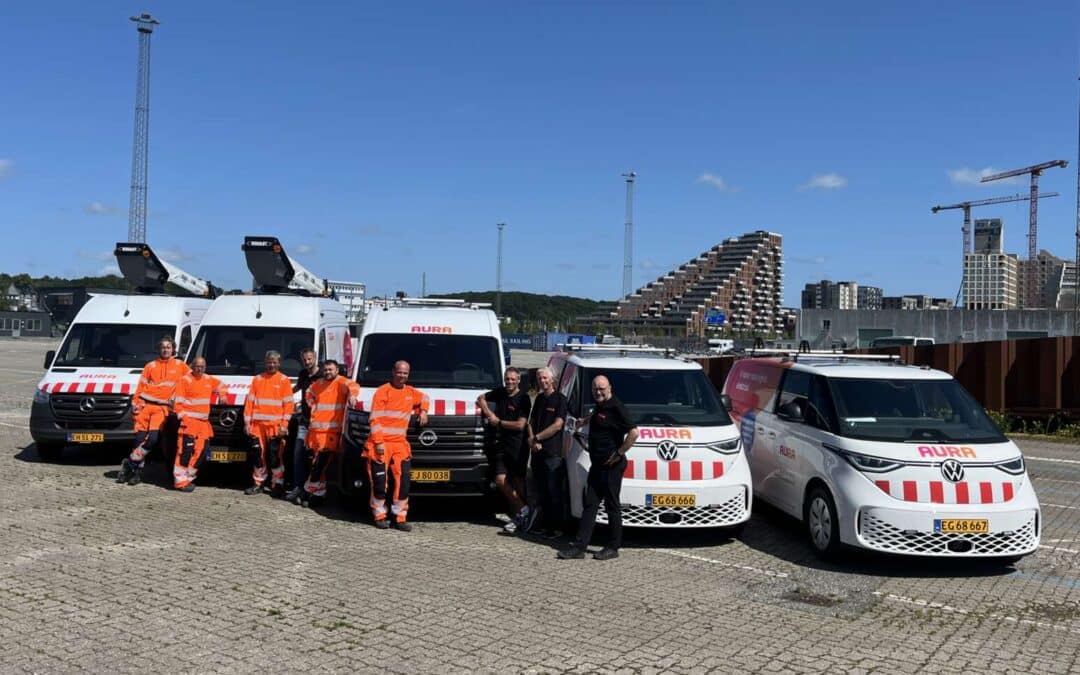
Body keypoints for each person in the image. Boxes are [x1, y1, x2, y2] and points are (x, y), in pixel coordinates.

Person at [558, 375, 638, 561]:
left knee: (612, 506)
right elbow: (598, 416)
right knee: (590, 505)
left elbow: (634, 433)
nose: (598, 392)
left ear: (610, 388)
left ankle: (613, 547)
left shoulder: (617, 407)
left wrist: (619, 453)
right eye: (595, 389)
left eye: (602, 388)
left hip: (612, 467)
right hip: (597, 466)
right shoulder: (600, 405)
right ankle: (579, 547)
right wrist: (584, 421)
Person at [116, 336, 191, 485]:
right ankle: (136, 472)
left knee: (152, 440)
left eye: (168, 347)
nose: (165, 350)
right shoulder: (150, 366)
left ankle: (129, 463)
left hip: (161, 408)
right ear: (159, 349)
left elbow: (193, 380)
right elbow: (141, 387)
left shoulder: (181, 366)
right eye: (163, 347)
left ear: (173, 349)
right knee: (139, 440)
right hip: (144, 406)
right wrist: (135, 404)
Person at [364, 360, 429, 531]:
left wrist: (423, 411)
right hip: (381, 444)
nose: (402, 376)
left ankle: (400, 518)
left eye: (405, 373)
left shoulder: (410, 392)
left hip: (400, 444)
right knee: (379, 483)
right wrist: (378, 442)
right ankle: (379, 515)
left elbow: (425, 397)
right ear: (393, 372)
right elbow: (374, 419)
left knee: (403, 483)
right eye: (399, 372)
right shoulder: (382, 391)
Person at [477, 367, 533, 534]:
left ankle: (521, 517)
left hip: (518, 446)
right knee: (500, 480)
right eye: (507, 379)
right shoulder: (500, 392)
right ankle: (524, 510)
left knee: (518, 481)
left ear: (519, 380)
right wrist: (489, 414)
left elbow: (520, 425)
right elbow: (481, 398)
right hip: (501, 445)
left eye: (513, 379)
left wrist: (499, 422)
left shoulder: (524, 399)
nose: (509, 382)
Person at [299, 359, 359, 506]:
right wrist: (312, 404)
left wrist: (352, 395)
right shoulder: (318, 383)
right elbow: (308, 392)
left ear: (337, 370)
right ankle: (318, 493)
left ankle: (308, 490)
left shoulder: (341, 382)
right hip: (314, 431)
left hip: (330, 433)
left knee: (320, 464)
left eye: (330, 369)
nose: (327, 372)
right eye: (325, 370)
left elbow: (353, 385)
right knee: (313, 463)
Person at [242, 351, 294, 497]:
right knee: (257, 455)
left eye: (274, 362)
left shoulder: (284, 380)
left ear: (279, 363)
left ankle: (277, 484)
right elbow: (250, 402)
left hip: (275, 426)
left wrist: (284, 425)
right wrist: (247, 423)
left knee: (275, 456)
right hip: (257, 425)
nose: (271, 365)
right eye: (269, 362)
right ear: (265, 363)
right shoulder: (257, 379)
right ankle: (258, 483)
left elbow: (289, 405)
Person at [171, 356, 226, 492]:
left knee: (202, 452)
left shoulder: (208, 379)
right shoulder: (184, 380)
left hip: (203, 424)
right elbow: (177, 404)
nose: (199, 369)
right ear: (192, 366)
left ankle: (187, 477)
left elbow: (221, 385)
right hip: (189, 423)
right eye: (197, 366)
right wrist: (185, 420)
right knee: (185, 452)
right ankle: (180, 482)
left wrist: (223, 395)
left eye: (202, 367)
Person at [527, 367, 568, 538]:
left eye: (545, 378)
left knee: (554, 491)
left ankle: (556, 528)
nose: (542, 381)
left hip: (552, 453)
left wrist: (538, 438)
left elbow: (558, 425)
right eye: (539, 378)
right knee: (541, 490)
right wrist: (531, 439)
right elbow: (531, 421)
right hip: (537, 452)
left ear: (552, 379)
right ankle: (543, 525)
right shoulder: (539, 399)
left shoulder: (560, 399)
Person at [285, 347, 320, 503]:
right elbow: (297, 387)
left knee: (315, 459)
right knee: (298, 455)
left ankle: (313, 491)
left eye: (310, 359)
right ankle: (298, 487)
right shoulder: (303, 374)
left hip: (319, 425)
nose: (307, 362)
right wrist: (283, 395)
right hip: (304, 422)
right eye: (304, 359)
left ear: (315, 358)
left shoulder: (323, 375)